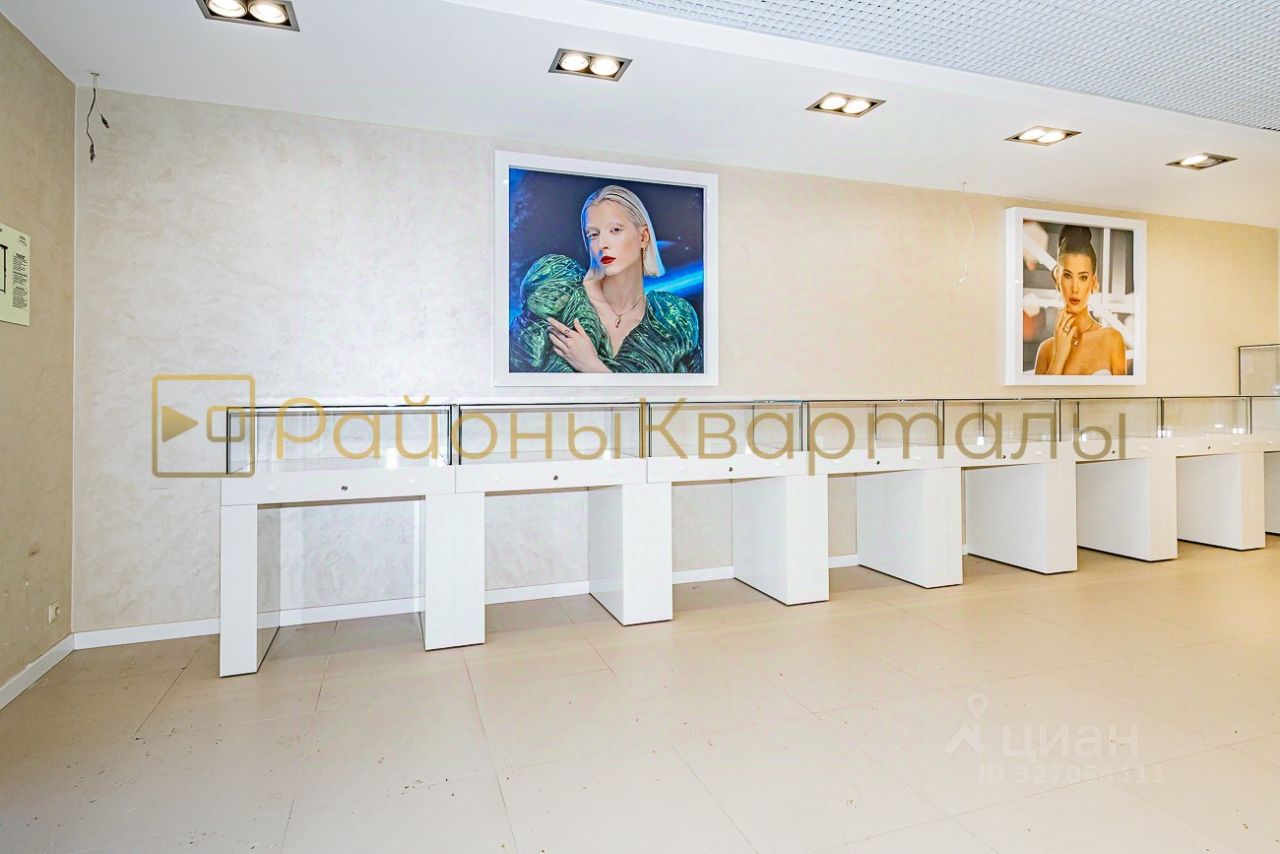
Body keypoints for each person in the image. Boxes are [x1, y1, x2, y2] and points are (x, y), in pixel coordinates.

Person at [509, 184, 702, 374]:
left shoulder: (672, 318)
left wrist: (593, 367)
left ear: (643, 237)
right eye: (593, 234)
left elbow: (689, 391)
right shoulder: (559, 293)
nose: (602, 244)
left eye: (615, 230)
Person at [1034, 225, 1126, 376]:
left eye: (1083, 277)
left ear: (1094, 282)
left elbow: (1123, 391)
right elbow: (1040, 392)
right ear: (1057, 279)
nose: (1075, 288)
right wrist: (1059, 356)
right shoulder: (1046, 350)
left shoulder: (1111, 339)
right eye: (1067, 276)